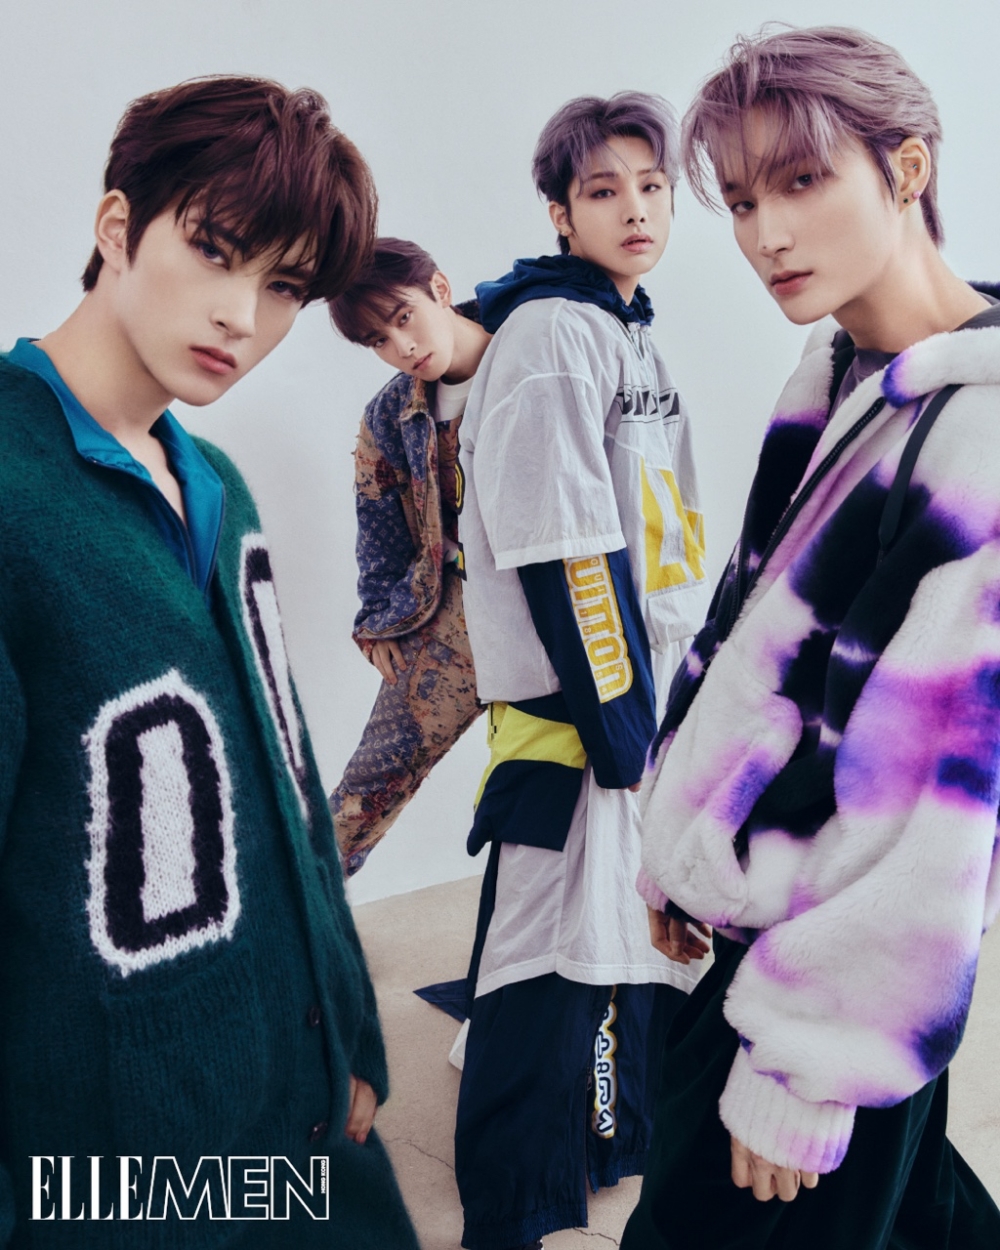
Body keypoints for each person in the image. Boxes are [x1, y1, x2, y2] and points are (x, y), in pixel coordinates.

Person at [0, 76, 419, 1247]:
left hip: (298, 1096)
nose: (242, 315)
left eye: (284, 286)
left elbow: (289, 785)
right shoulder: (12, 492)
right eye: (216, 249)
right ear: (117, 226)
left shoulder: (219, 485)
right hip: (110, 1151)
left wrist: (351, 1023)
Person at [625, 25, 1000, 1250]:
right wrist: (683, 837)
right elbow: (746, 635)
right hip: (772, 930)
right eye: (741, 200)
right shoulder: (837, 366)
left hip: (830, 985)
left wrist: (807, 1063)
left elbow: (939, 809)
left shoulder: (980, 444)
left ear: (906, 168)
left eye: (800, 181)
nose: (764, 234)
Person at [455, 92, 710, 1249]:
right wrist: (618, 727)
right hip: (579, 707)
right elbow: (566, 547)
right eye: (604, 190)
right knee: (544, 956)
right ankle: (517, 1203)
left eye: (651, 186)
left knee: (616, 939)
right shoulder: (555, 332)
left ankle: (608, 1144)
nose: (635, 209)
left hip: (641, 694)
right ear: (560, 212)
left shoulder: (624, 324)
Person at [327, 239, 490, 876]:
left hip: (566, 603)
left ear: (439, 290)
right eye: (379, 340)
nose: (402, 347)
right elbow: (379, 529)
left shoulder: (536, 350)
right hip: (457, 617)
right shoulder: (391, 413)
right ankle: (293, 916)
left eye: (403, 317)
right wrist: (377, 622)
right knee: (364, 792)